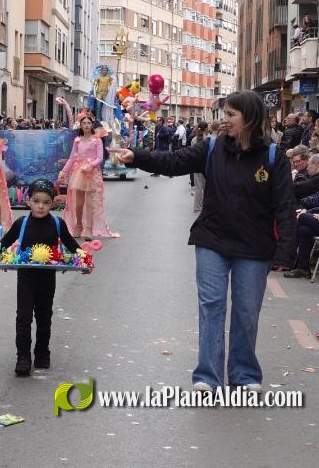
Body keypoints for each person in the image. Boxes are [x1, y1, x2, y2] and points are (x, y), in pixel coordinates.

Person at [111, 91, 297, 392]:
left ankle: (244, 375)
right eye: (224, 114)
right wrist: (138, 156)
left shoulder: (274, 157)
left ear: (250, 118)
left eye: (231, 115)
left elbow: (285, 206)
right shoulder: (212, 147)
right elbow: (174, 161)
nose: (225, 120)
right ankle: (208, 376)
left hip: (254, 246)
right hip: (212, 238)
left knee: (246, 312)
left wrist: (285, 252)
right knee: (211, 305)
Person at [0, 179, 81, 377]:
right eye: (36, 201)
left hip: (47, 279)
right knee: (23, 318)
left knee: (44, 317)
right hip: (26, 278)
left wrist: (85, 262)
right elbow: (3, 245)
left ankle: (42, 353)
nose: (40, 206)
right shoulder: (21, 223)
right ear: (28, 201)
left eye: (46, 202)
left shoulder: (57, 223)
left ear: (53, 203)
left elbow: (72, 246)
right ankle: (23, 358)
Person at [59, 112, 118, 238]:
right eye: (84, 123)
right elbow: (71, 158)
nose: (86, 125)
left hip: (92, 174)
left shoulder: (97, 140)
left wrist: (90, 166)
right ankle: (78, 225)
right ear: (80, 125)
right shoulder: (77, 141)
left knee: (90, 204)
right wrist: (63, 171)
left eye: (88, 123)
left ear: (92, 125)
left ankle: (89, 229)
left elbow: (100, 158)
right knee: (79, 204)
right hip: (79, 173)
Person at [190, 121, 210, 213]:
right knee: (206, 187)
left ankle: (197, 207)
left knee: (198, 187)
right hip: (206, 166)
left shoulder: (194, 140)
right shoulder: (208, 139)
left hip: (196, 166)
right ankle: (205, 206)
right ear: (206, 129)